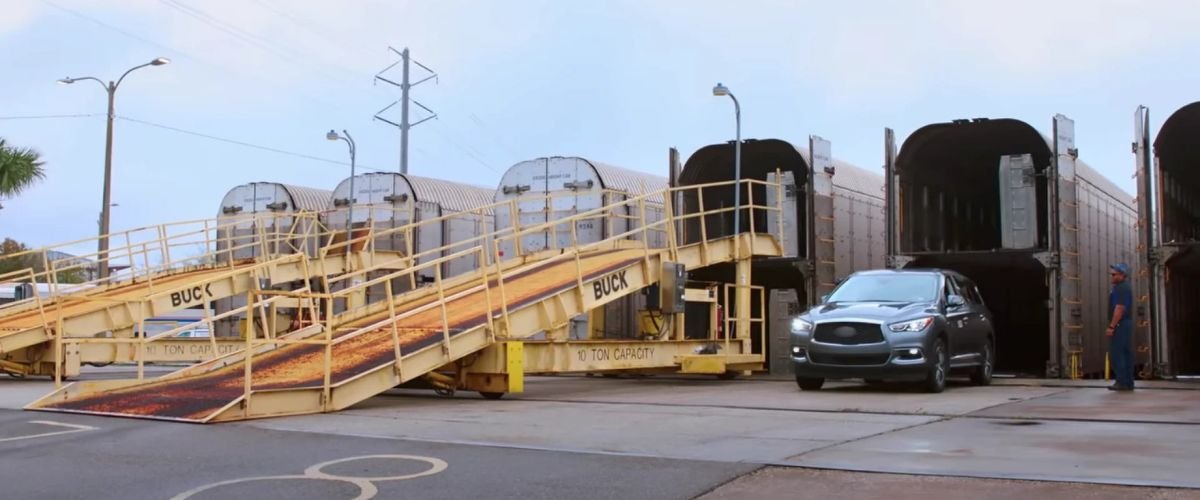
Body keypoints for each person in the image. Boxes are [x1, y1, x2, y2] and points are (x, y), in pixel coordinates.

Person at [1107, 263, 1135, 391]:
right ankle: (1128, 382)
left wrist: (1112, 326)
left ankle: (1122, 382)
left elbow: (1120, 308)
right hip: (1125, 323)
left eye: (1114, 274)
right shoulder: (1124, 287)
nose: (1111, 276)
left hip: (1121, 324)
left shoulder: (1121, 288)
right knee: (1125, 353)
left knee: (1117, 353)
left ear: (1122, 275)